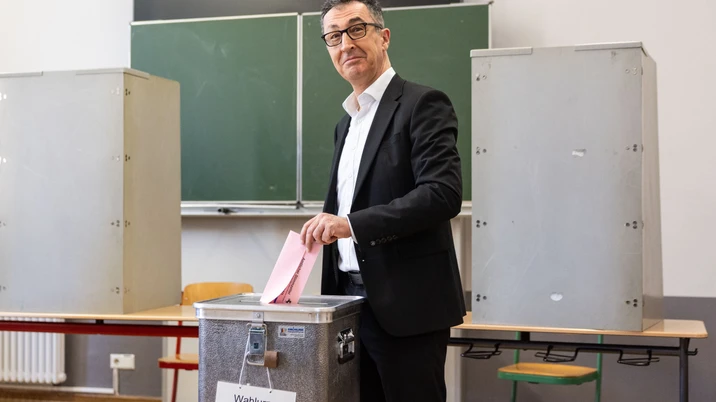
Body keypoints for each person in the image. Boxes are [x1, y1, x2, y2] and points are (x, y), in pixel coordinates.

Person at [299, 0, 465, 400]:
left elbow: (442, 194)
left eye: (356, 30)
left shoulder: (422, 104)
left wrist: (350, 224)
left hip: (406, 306)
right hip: (347, 307)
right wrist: (329, 222)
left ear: (384, 37)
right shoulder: (345, 124)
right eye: (333, 36)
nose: (346, 44)